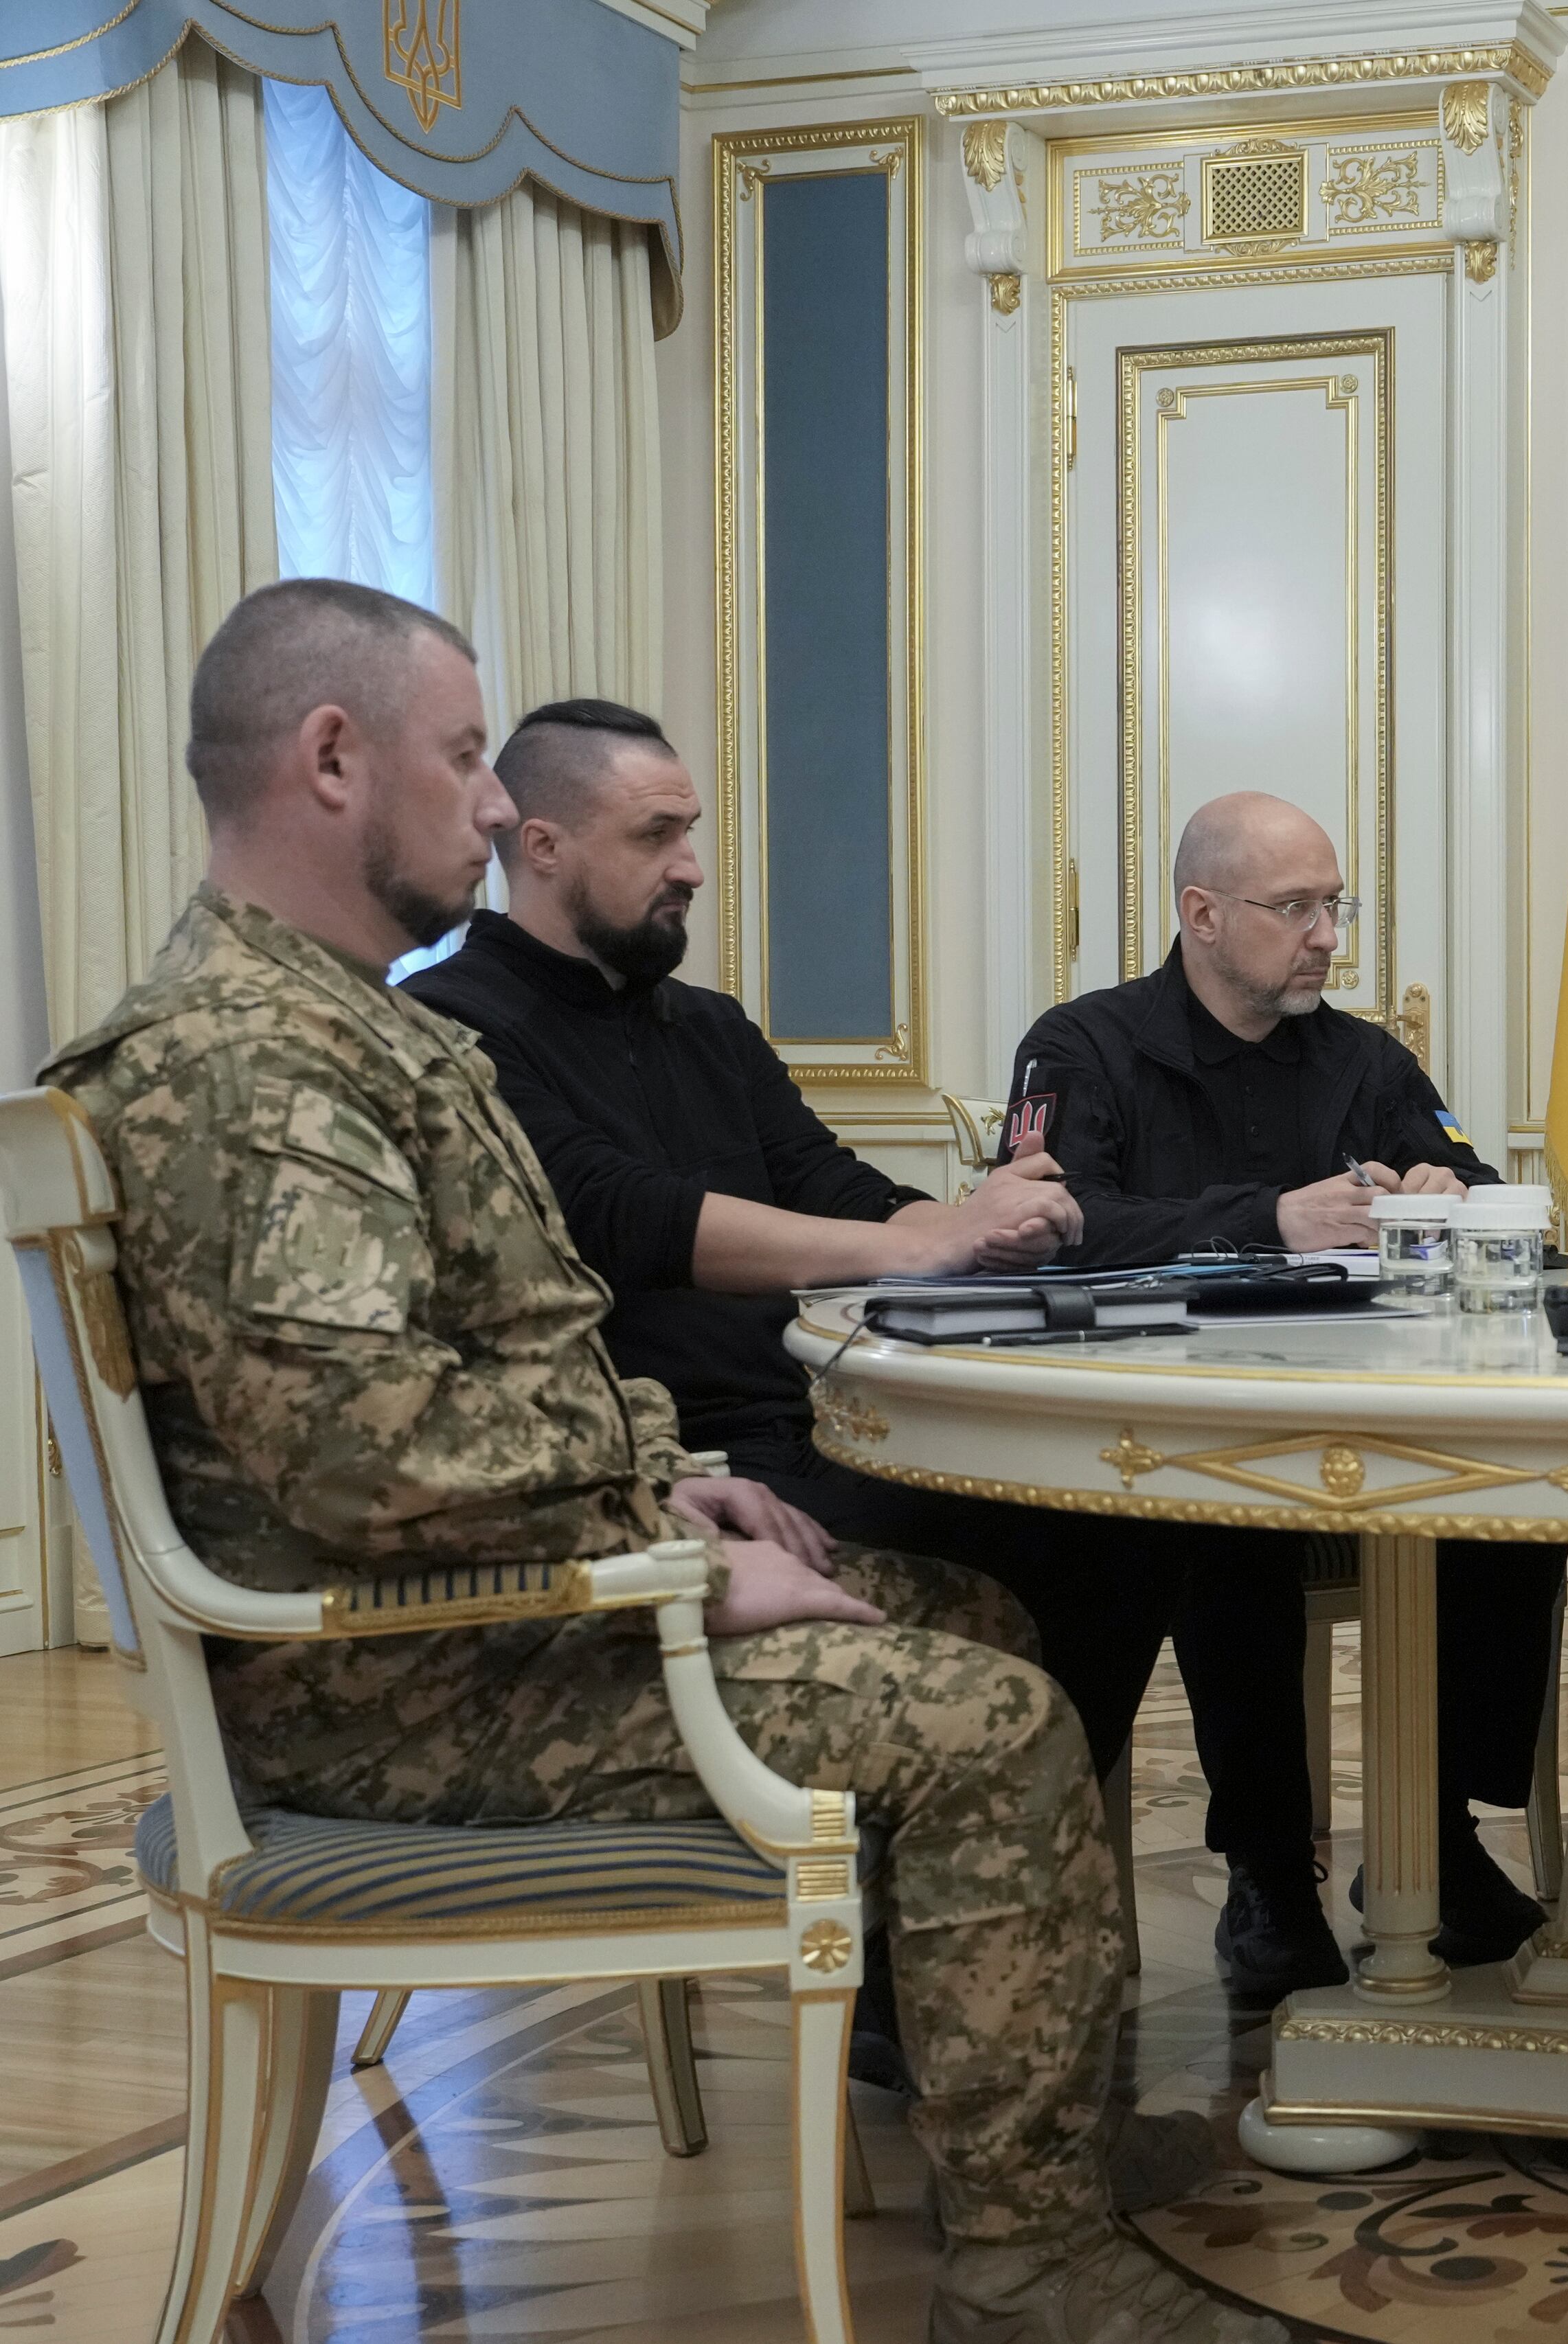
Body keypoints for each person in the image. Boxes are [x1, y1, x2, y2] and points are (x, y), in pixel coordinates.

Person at [47, 580, 1274, 2344]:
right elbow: (361, 1459)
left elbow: (454, 1385)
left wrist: (662, 1489)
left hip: (477, 1619)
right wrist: (675, 1557)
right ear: (331, 759)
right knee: (992, 1725)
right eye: (465, 758)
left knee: (988, 1614)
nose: (487, 804)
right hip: (405, 1683)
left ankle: (1030, 2148)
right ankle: (1027, 2274)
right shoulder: (249, 1062)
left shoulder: (343, 1022)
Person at [1010, 791, 1563, 2003]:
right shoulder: (1085, 1046)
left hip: (1373, 1422)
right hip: (1165, 1442)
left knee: (1519, 1494)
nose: (1327, 936)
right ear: (1203, 915)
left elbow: (1464, 1173)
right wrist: (1269, 1220)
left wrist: (1441, 1186)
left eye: (1334, 906)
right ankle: (1267, 1870)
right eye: (1297, 908)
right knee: (1230, 1527)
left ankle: (1436, 1832)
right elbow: (1052, 1226)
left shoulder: (1366, 1057)